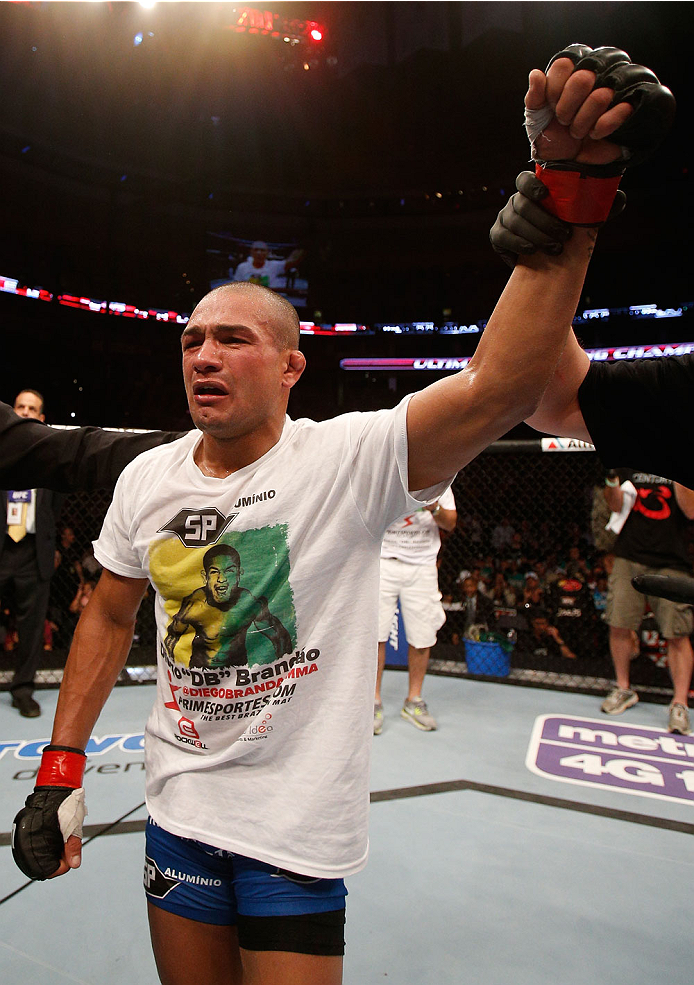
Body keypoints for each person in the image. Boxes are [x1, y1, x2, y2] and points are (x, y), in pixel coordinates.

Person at [12, 47, 668, 985]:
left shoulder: (348, 458)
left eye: (233, 339)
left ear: (289, 368)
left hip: (295, 829)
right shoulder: (147, 478)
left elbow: (499, 385)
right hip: (181, 807)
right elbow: (112, 612)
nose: (203, 355)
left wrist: (572, 199)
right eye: (191, 339)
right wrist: (61, 768)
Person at [598, 470, 694, 732]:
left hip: (672, 559)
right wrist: (611, 478)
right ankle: (623, 687)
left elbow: (691, 510)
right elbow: (615, 504)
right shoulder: (631, 459)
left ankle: (679, 702)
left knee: (677, 632)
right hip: (629, 554)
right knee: (619, 623)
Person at [0, 390, 65, 717]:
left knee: (31, 628)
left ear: (40, 419)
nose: (25, 412)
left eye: (32, 409)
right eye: (20, 407)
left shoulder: (49, 461)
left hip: (32, 553)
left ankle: (23, 689)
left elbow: (55, 508)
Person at [374, 489, 456, 734]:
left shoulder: (439, 481)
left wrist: (434, 508)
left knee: (422, 637)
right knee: (375, 636)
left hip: (422, 566)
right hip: (383, 561)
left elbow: (450, 523)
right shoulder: (386, 474)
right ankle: (373, 702)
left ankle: (414, 701)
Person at [232, 241, 305, 291]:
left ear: (267, 252)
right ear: (251, 252)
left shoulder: (274, 266)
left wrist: (303, 246)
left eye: (262, 250)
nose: (259, 253)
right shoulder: (242, 267)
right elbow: (235, 287)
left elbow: (294, 261)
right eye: (256, 250)